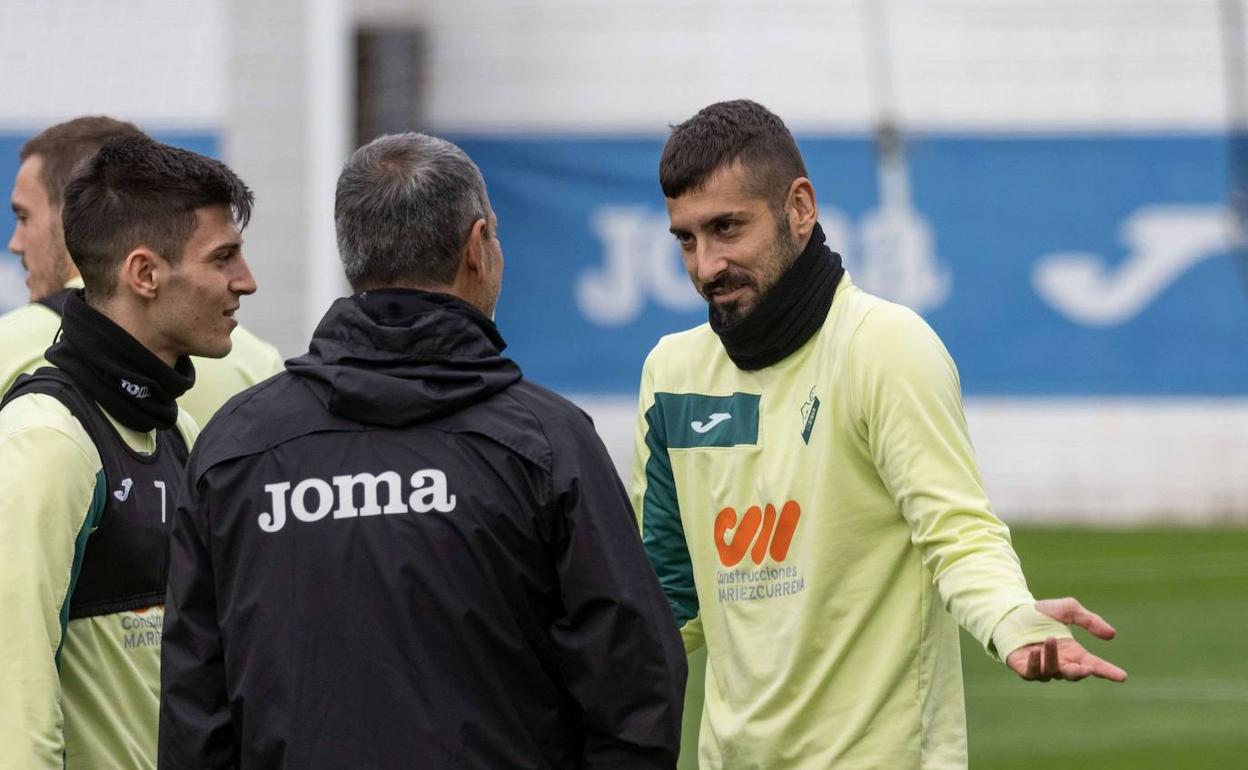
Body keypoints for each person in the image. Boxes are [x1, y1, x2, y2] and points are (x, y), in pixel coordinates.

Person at [159, 132, 687, 769]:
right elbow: (637, 692)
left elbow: (195, 714)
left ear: (355, 258)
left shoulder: (235, 450)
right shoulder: (546, 443)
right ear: (476, 246)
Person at [629, 100, 1127, 770]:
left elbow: (958, 533)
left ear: (799, 207)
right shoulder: (672, 373)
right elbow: (663, 599)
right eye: (686, 239)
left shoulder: (886, 348)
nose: (706, 264)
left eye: (727, 228)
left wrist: (1010, 620)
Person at [0, 136, 258, 769]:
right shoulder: (47, 441)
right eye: (223, 257)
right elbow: (12, 713)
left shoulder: (180, 432)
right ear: (145, 273)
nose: (244, 282)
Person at [4, 115, 283, 423]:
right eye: (223, 256)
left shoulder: (8, 344)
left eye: (24, 216)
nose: (15, 243)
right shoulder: (258, 360)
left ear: (72, 213)